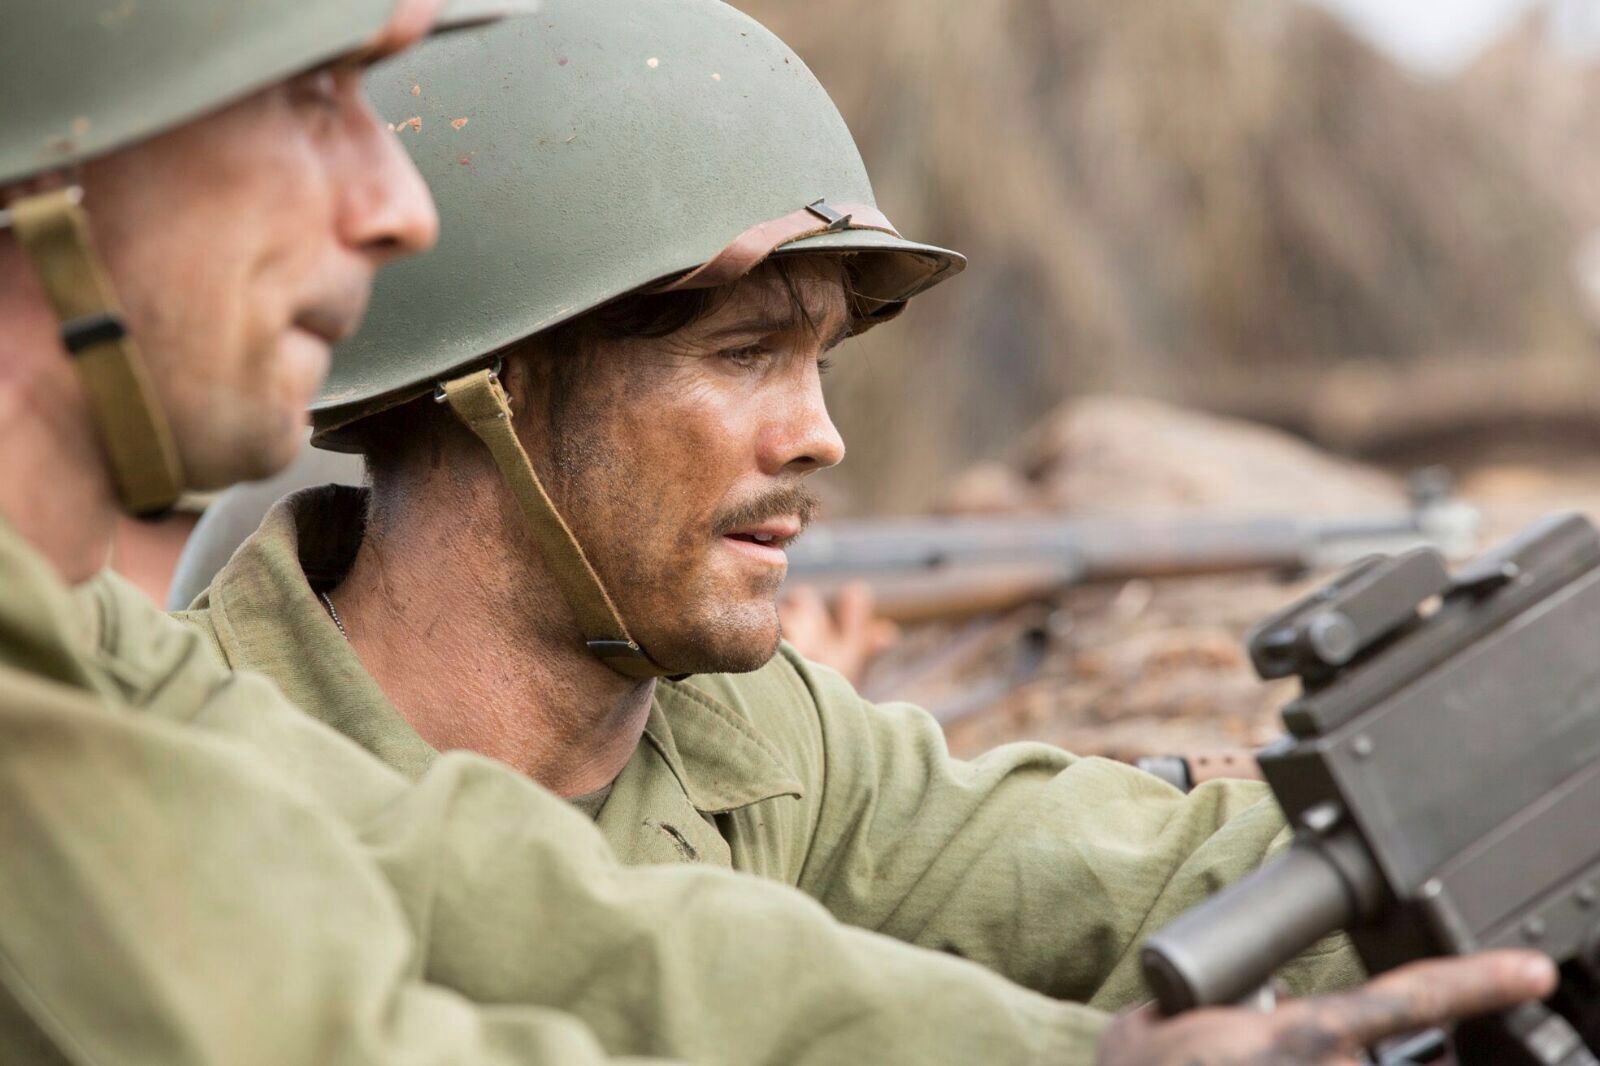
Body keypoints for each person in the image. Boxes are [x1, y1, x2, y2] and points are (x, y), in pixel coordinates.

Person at [168, 1, 1558, 1060]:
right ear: (496, 386)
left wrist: (1518, 779)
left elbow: (1131, 873)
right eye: (745, 356)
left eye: (821, 362)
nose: (820, 433)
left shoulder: (750, 736)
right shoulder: (182, 773)